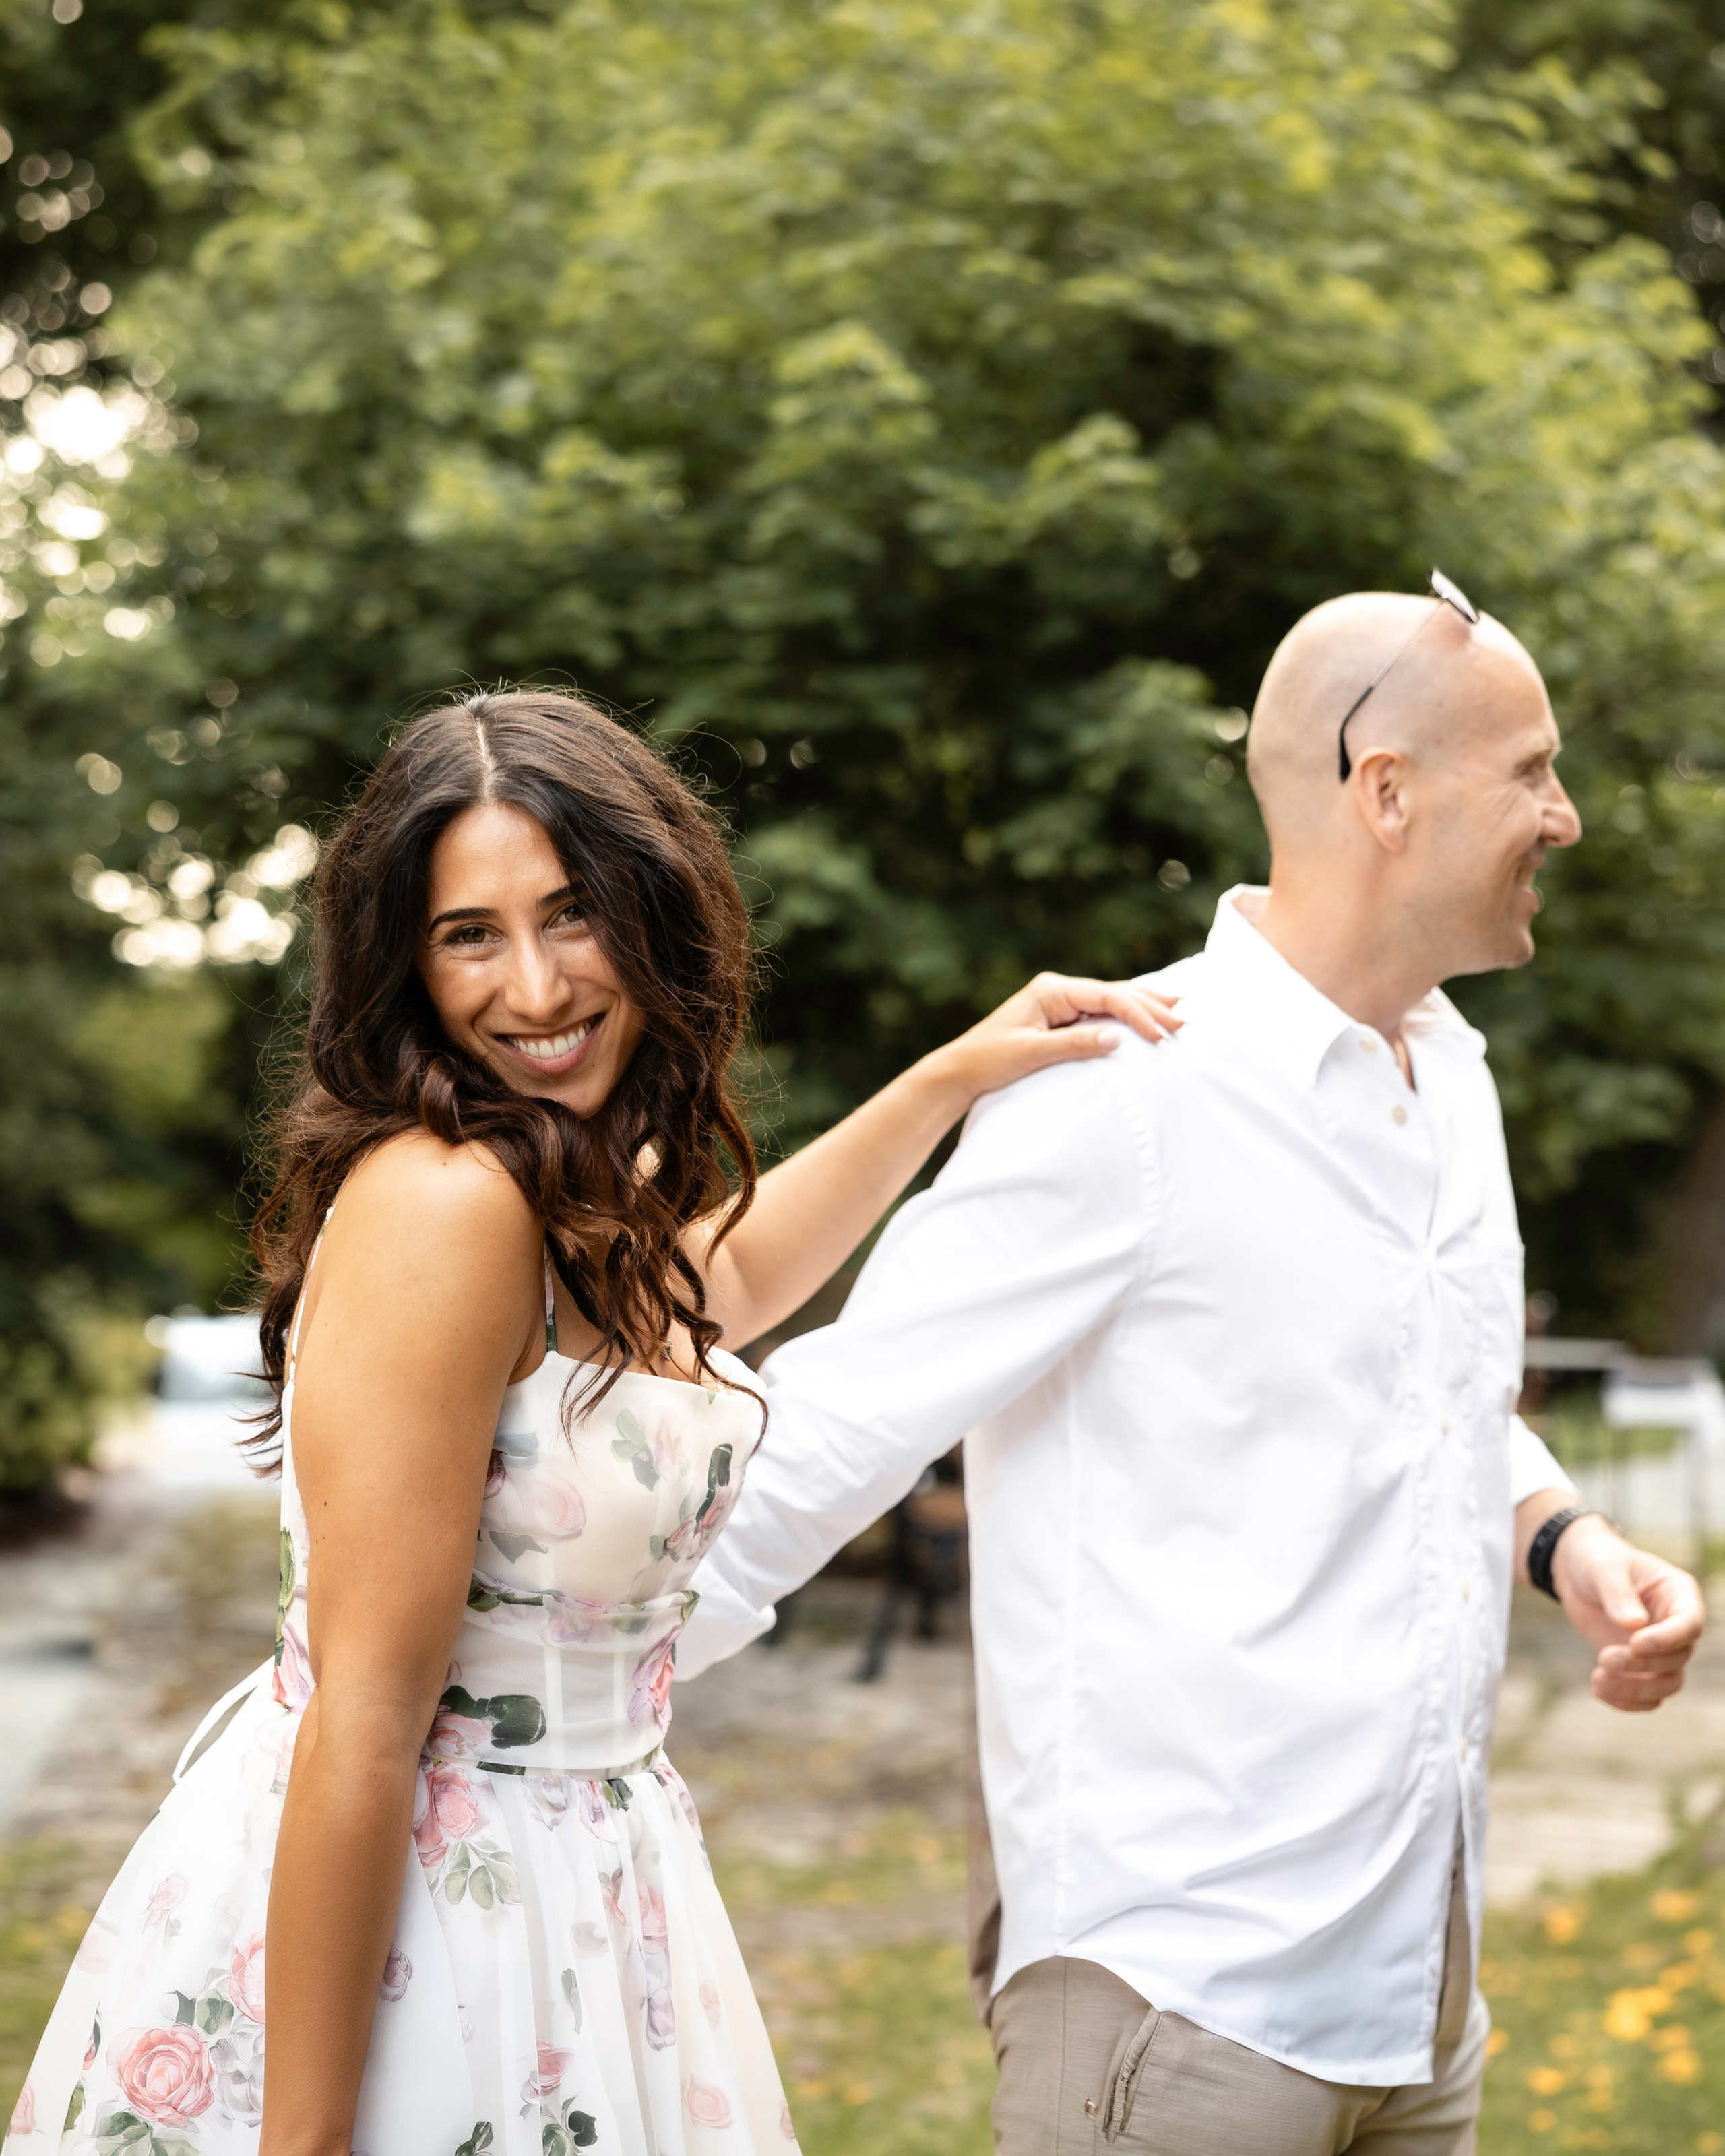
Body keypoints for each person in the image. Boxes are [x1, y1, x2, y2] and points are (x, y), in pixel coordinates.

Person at [3, 690, 1181, 2156]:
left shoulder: (560, 1194)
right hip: (433, 1924)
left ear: (650, 914)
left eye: (572, 917)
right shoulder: (448, 1204)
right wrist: (300, 2143)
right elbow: (367, 1720)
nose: (538, 987)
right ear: (405, 965)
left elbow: (723, 1280)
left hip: (586, 1886)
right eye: (468, 934)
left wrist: (951, 1075)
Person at [674, 577, 1710, 2156]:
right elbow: (836, 1426)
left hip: (1417, 2005)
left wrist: (1563, 1539)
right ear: (1385, 793)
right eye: (1531, 770)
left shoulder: (1453, 1086)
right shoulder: (1120, 1091)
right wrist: (525, 1688)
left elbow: (1433, 1394)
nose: (1562, 818)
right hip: (1176, 2006)